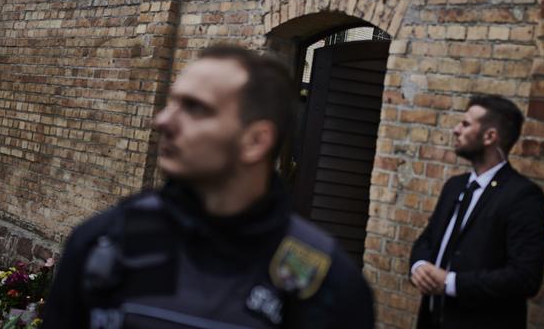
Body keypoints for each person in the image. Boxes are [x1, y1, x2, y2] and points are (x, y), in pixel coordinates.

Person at [43, 45, 374, 329]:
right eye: (173, 103)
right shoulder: (105, 243)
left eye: (195, 108)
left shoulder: (328, 285)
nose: (162, 120)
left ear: (255, 141)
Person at [409, 94, 544, 329]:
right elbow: (427, 239)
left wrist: (451, 283)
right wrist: (419, 266)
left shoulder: (523, 196)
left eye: (465, 124)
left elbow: (525, 277)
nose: (456, 130)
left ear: (490, 136)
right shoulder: (454, 186)